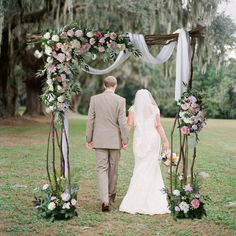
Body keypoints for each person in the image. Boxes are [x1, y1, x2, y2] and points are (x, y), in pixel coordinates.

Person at [119, 89, 170, 215]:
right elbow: (158, 126)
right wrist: (165, 141)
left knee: (140, 167)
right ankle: (152, 196)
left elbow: (129, 125)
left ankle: (135, 199)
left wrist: (124, 139)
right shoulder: (154, 108)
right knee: (152, 167)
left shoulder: (133, 109)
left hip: (140, 140)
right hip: (153, 139)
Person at [86, 75, 129, 212]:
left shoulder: (95, 99)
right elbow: (122, 122)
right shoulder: (121, 100)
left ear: (104, 85)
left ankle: (104, 200)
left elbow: (90, 119)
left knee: (101, 169)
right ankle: (110, 197)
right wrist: (125, 140)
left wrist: (88, 138)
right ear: (115, 86)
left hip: (99, 140)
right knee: (113, 169)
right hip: (115, 140)